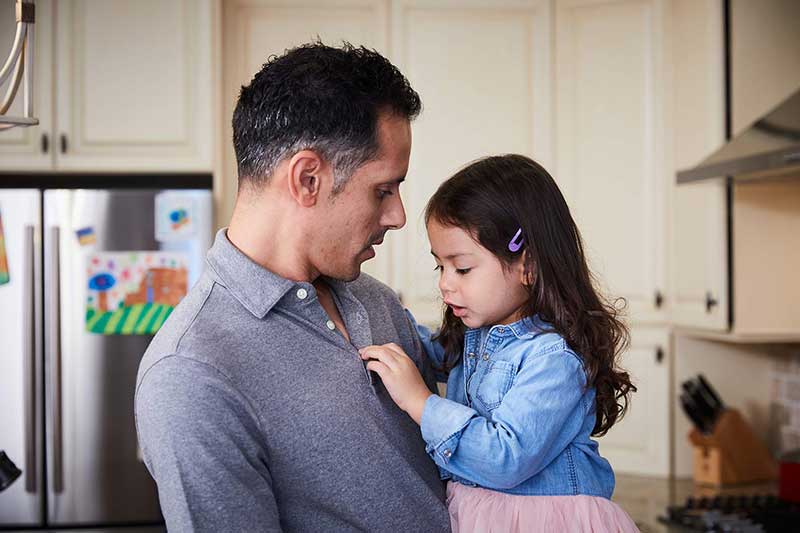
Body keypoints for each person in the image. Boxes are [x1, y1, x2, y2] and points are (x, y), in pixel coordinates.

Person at [134, 42, 451, 532]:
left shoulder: (374, 299)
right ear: (307, 179)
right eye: (383, 190)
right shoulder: (191, 375)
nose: (399, 216)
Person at [359, 154, 640, 532]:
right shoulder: (475, 336)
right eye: (439, 266)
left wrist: (421, 404)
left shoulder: (553, 359)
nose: (445, 283)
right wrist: (368, 301)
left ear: (528, 265)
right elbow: (419, 347)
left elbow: (504, 458)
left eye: (462, 268)